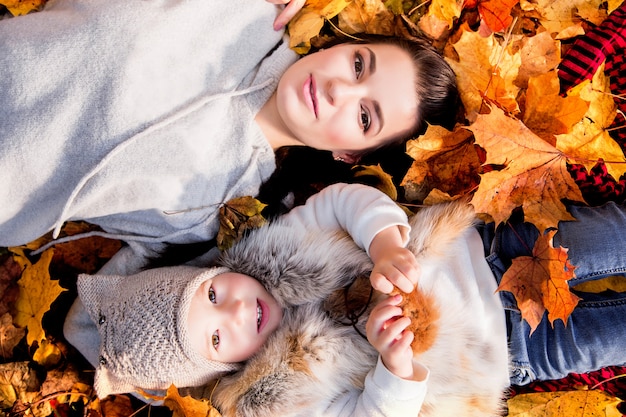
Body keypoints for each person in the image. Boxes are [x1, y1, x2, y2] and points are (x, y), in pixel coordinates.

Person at [63, 182, 626, 416]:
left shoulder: (278, 246)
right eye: (216, 336)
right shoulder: (282, 395)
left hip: (496, 250)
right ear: (221, 367)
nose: (235, 310)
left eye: (211, 292)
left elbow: (342, 202)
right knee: (612, 337)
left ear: (209, 270)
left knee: (609, 234)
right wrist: (394, 365)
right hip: (516, 348)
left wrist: (384, 245)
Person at [0, 0, 458, 276]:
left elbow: (125, 317)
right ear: (341, 44)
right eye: (359, 65)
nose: (341, 88)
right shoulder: (247, 9)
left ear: (349, 153)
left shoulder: (214, 211)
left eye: (364, 115)